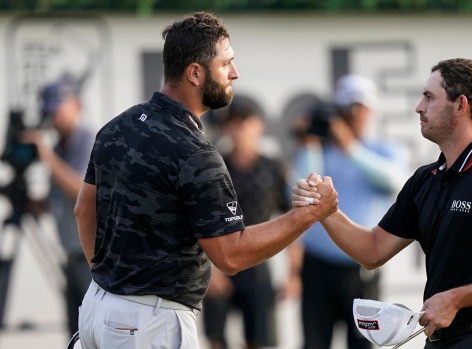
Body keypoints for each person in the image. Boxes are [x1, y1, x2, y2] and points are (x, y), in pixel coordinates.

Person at [73, 11, 337, 349]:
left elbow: (83, 211)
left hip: (97, 306)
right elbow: (231, 256)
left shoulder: (116, 126)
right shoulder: (196, 153)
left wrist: (109, 280)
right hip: (150, 322)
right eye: (226, 63)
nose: (235, 73)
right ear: (195, 73)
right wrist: (310, 214)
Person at [292, 58, 472, 349]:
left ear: (460, 105)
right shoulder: (425, 179)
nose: (419, 107)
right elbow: (372, 250)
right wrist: (327, 211)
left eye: (430, 97)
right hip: (442, 339)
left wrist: (456, 298)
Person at [289, 74, 407, 349]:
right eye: (348, 109)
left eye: (361, 108)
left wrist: (350, 147)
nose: (355, 116)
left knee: (362, 344)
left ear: (371, 110)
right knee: (314, 344)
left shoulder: (384, 149)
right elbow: (301, 193)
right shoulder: (319, 152)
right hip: (317, 266)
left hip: (362, 268)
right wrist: (310, 143)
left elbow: (392, 182)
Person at [202, 96, 291, 349]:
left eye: (245, 121)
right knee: (216, 339)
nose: (239, 129)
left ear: (258, 125)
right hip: (217, 260)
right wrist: (209, 269)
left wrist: (294, 273)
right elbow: (198, 220)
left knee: (258, 339)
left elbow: (293, 219)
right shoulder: (213, 166)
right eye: (233, 122)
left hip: (257, 261)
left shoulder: (273, 167)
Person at [21, 78, 95, 338]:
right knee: (75, 334)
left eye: (58, 108)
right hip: (71, 259)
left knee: (92, 333)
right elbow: (57, 202)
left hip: (92, 261)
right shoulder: (58, 149)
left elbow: (82, 193)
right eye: (50, 111)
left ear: (76, 105)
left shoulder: (88, 140)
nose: (54, 117)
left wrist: (47, 157)